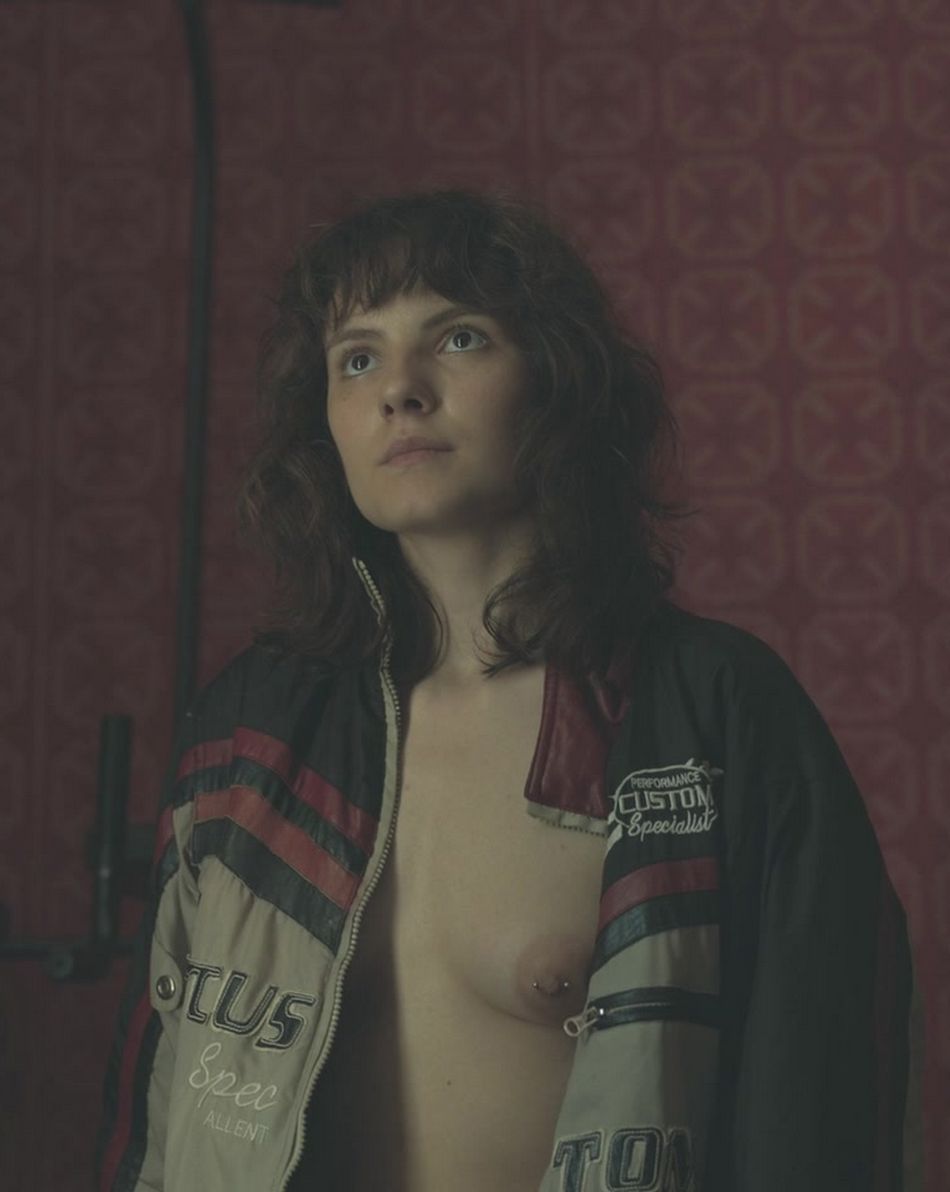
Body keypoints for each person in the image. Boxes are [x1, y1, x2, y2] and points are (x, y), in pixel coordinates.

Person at [97, 190, 912, 1191]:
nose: (400, 390)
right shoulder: (252, 729)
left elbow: (817, 1115)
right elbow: (151, 1113)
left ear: (554, 379)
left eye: (459, 338)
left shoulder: (714, 717)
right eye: (357, 358)